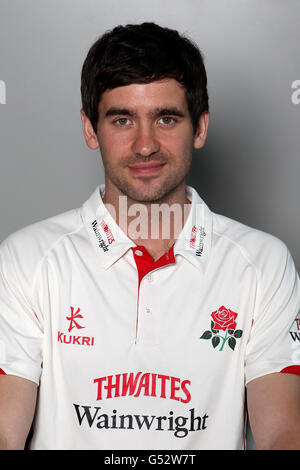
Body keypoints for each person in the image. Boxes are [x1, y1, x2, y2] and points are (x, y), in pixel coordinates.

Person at [0, 22, 299, 451]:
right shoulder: (26, 260)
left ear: (199, 128)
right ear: (90, 129)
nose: (145, 145)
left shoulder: (264, 264)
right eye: (122, 120)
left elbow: (282, 434)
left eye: (166, 118)